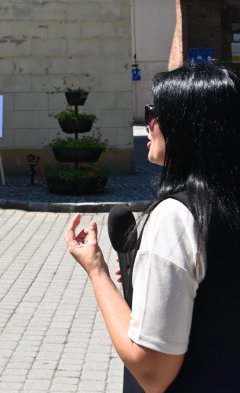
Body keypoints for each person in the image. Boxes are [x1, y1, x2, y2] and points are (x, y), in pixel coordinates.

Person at [64, 62, 240, 393]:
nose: (148, 123)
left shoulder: (176, 217)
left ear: (188, 127)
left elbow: (152, 372)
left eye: (155, 114)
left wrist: (96, 269)